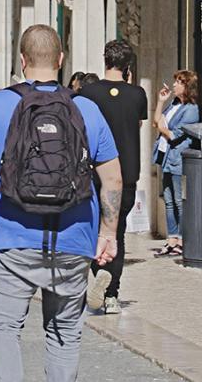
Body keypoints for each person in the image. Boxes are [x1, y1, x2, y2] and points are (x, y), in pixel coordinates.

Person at [0, 25, 122, 382]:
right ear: (61, 60)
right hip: (74, 238)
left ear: (22, 61)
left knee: (2, 327)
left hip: (14, 237)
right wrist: (107, 232)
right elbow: (112, 178)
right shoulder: (86, 109)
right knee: (64, 334)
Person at [79, 41, 146, 314]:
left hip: (95, 170)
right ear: (128, 65)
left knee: (95, 229)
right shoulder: (138, 94)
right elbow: (137, 123)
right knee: (115, 231)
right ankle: (111, 294)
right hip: (127, 172)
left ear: (105, 60)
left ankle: (98, 273)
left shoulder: (87, 93)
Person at [152, 69, 199, 258]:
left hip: (179, 159)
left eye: (179, 82)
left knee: (180, 201)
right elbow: (156, 121)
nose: (174, 85)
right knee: (169, 201)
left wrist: (162, 126)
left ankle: (181, 239)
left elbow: (173, 134)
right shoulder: (174, 105)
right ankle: (171, 239)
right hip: (166, 157)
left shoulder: (191, 110)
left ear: (187, 86)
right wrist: (161, 101)